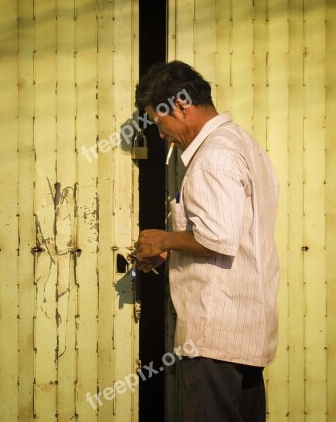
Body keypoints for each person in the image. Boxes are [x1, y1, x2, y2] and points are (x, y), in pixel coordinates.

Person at [132, 61, 280, 422]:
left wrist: (162, 238)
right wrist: (175, 245)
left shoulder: (214, 156)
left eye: (158, 120)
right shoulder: (242, 143)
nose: (160, 133)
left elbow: (218, 237)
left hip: (215, 335)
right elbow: (228, 231)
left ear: (180, 106)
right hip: (244, 332)